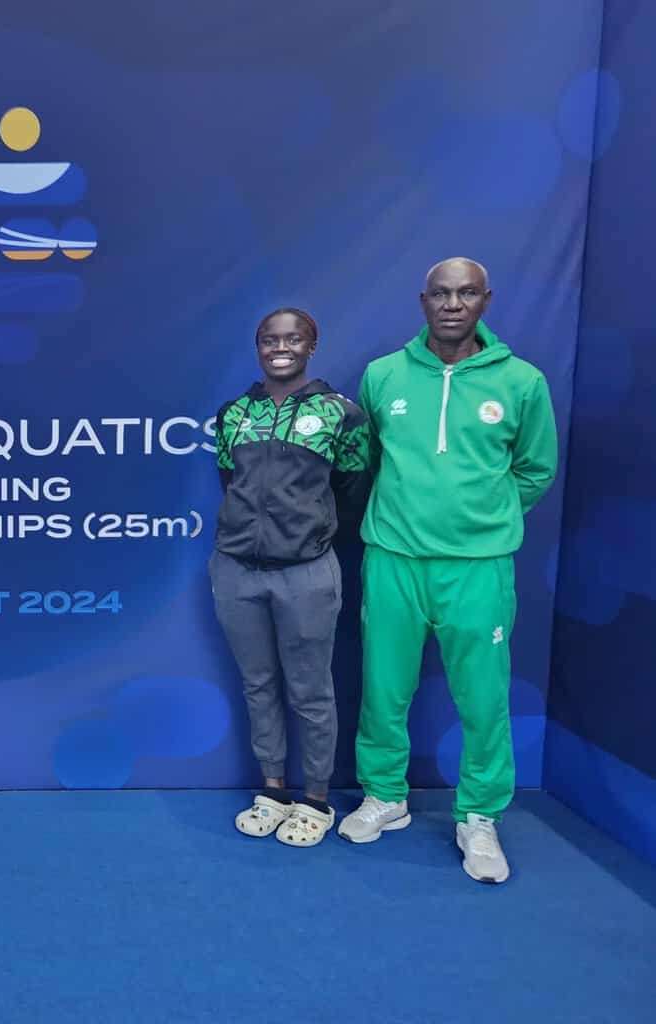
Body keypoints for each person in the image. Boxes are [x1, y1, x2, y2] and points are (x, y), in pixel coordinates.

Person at [338, 258, 557, 884]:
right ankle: (385, 797)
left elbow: (536, 468)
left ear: (485, 300)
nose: (453, 303)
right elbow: (368, 460)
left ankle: (479, 817)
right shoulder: (383, 375)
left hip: (478, 569)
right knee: (382, 687)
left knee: (484, 698)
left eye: (466, 293)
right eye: (441, 293)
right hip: (394, 559)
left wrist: (482, 519)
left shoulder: (521, 382)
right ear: (423, 301)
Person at [211, 308, 369, 846]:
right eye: (269, 339)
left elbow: (352, 489)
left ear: (312, 345)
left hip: (306, 574)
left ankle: (316, 799)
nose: (281, 347)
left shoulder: (340, 413)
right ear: (257, 347)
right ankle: (274, 790)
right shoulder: (233, 413)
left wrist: (310, 535)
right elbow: (230, 481)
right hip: (237, 571)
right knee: (259, 685)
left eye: (293, 338)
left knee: (310, 690)